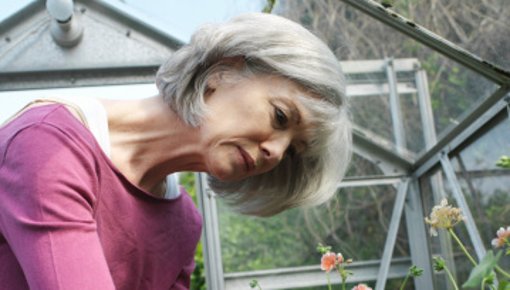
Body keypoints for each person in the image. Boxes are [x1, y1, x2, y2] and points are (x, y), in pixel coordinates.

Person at [0, 12, 351, 290]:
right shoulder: (48, 145)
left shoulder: (183, 225)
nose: (275, 153)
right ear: (222, 70)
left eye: (292, 151)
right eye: (280, 116)